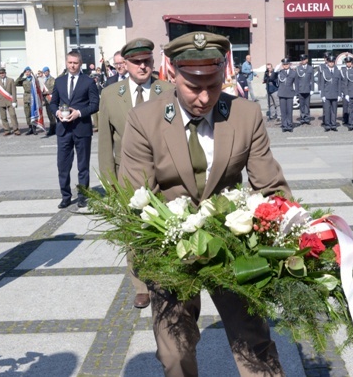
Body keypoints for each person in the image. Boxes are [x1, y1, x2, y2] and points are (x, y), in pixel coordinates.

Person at [120, 31, 290, 377]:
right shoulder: (145, 120)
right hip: (168, 246)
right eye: (192, 86)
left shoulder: (244, 115)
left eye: (212, 85)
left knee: (254, 344)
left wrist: (292, 234)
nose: (204, 97)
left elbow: (270, 186)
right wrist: (146, 258)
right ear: (171, 74)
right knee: (174, 352)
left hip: (232, 247)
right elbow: (134, 198)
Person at [99, 38, 172, 309]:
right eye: (137, 62)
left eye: (147, 61)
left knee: (165, 228)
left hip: (164, 173)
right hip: (127, 175)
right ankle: (140, 285)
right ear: (125, 65)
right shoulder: (110, 94)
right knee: (133, 233)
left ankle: (163, 278)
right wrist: (109, 183)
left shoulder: (168, 90)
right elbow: (106, 141)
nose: (143, 66)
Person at [49, 50, 99, 209]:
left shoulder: (88, 82)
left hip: (82, 129)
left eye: (75, 63)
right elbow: (52, 103)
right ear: (66, 62)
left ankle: (83, 195)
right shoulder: (59, 81)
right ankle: (65, 196)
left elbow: (95, 105)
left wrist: (79, 113)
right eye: (70, 62)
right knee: (62, 165)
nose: (72, 65)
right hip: (63, 129)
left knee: (83, 165)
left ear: (80, 63)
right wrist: (57, 112)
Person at [0, 67, 20, 136]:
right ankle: (7, 130)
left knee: (13, 115)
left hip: (10, 101)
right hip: (1, 101)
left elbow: (14, 91)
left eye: (3, 73)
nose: (2, 74)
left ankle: (16, 129)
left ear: (5, 73)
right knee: (3, 117)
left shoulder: (10, 80)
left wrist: (14, 101)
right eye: (0, 73)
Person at [318, 53, 341, 131]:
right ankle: (327, 125)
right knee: (327, 111)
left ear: (334, 62)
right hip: (327, 94)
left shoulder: (337, 71)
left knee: (334, 110)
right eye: (330, 62)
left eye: (332, 62)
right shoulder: (324, 71)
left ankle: (333, 125)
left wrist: (339, 94)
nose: (331, 63)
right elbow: (322, 84)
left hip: (335, 93)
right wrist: (323, 95)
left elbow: (339, 84)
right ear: (327, 62)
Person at [276, 57, 296, 132]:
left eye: (287, 64)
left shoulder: (293, 73)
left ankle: (289, 125)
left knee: (289, 110)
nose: (285, 66)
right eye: (284, 64)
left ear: (289, 64)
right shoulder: (280, 72)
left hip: (290, 93)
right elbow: (272, 78)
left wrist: (295, 95)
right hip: (282, 93)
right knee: (283, 111)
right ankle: (284, 125)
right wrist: (277, 68)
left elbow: (296, 84)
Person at [16, 66, 36, 135]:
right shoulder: (23, 80)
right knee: (27, 114)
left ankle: (34, 128)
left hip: (33, 98)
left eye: (28, 71)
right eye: (26, 72)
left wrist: (33, 75)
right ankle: (30, 128)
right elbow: (16, 83)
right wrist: (21, 75)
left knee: (34, 114)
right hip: (26, 98)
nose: (27, 73)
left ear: (31, 72)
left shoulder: (34, 80)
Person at [295, 53, 313, 125]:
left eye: (304, 59)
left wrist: (312, 89)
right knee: (301, 105)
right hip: (301, 89)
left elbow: (312, 79)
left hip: (308, 89)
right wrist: (296, 91)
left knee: (307, 105)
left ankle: (307, 118)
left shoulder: (310, 68)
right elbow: (296, 81)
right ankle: (302, 118)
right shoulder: (298, 68)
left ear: (307, 60)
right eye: (301, 60)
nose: (303, 61)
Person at [41, 66, 57, 137]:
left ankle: (55, 129)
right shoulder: (43, 80)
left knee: (54, 115)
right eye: (44, 72)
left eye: (46, 71)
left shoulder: (52, 79)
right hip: (46, 100)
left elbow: (53, 89)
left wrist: (45, 92)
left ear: (49, 71)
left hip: (51, 99)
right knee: (49, 115)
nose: (45, 73)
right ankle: (52, 128)